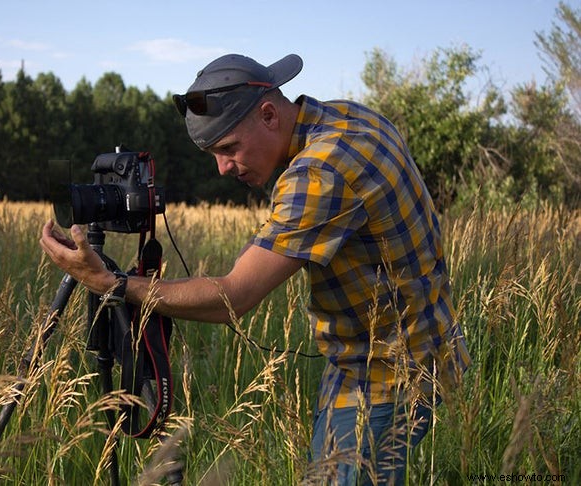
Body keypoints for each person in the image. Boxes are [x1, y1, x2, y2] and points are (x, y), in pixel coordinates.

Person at [40, 53, 470, 484]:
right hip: (412, 348)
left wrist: (108, 282)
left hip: (383, 375)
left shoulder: (321, 171)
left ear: (268, 114)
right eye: (214, 154)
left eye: (229, 149)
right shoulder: (349, 118)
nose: (223, 168)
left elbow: (233, 296)